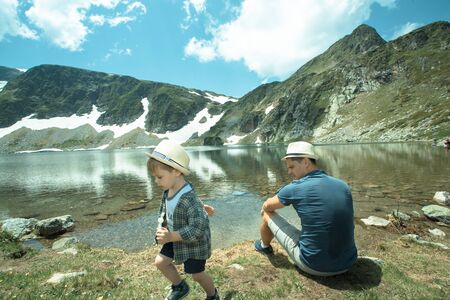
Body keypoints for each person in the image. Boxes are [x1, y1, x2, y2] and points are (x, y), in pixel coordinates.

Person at [255, 141, 357, 276]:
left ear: (305, 162)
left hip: (314, 265)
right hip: (348, 262)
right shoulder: (342, 185)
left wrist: (280, 197)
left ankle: (264, 246)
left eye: (291, 167)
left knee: (267, 213)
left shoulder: (295, 188)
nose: (289, 171)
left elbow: (267, 205)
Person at [147, 140, 219, 300]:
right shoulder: (169, 189)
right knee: (160, 262)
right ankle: (180, 286)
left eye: (159, 177)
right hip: (174, 236)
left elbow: (197, 229)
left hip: (194, 243)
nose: (156, 181)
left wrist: (171, 236)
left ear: (176, 172)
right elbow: (168, 210)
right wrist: (163, 227)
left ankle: (212, 295)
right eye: (154, 177)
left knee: (197, 274)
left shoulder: (189, 198)